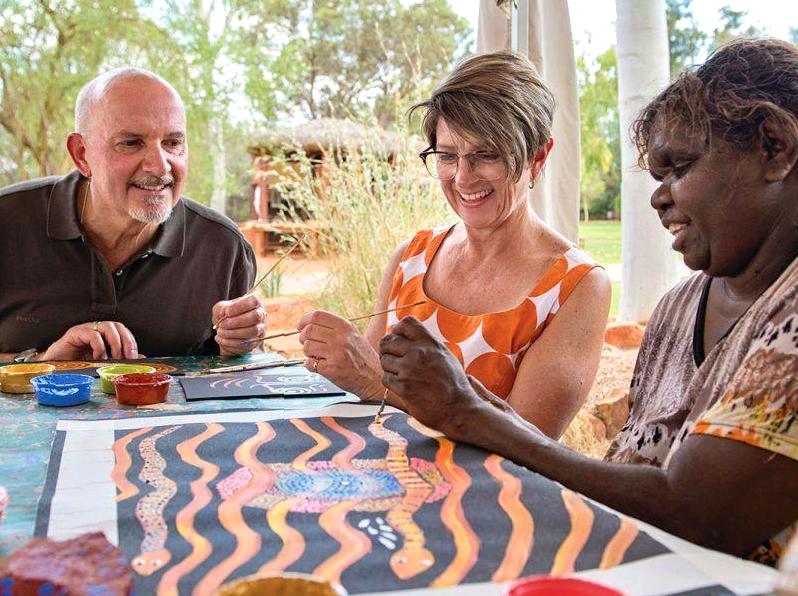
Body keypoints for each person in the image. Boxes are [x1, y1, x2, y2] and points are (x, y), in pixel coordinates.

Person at [379, 38, 798, 566]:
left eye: (681, 167)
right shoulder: (677, 310)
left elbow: (696, 512)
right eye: (657, 175)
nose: (658, 197)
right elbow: (634, 470)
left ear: (774, 148)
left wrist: (465, 410)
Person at [298, 51, 610, 438]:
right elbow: (367, 405)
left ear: (538, 156)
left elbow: (528, 443)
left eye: (486, 155)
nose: (463, 178)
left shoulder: (576, 286)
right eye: (447, 156)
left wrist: (374, 382)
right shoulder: (411, 258)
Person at [0, 68, 265, 361]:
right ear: (82, 154)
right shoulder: (7, 222)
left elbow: (244, 379)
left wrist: (237, 348)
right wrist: (42, 363)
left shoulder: (222, 247)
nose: (160, 166)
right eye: (131, 143)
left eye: (173, 143)